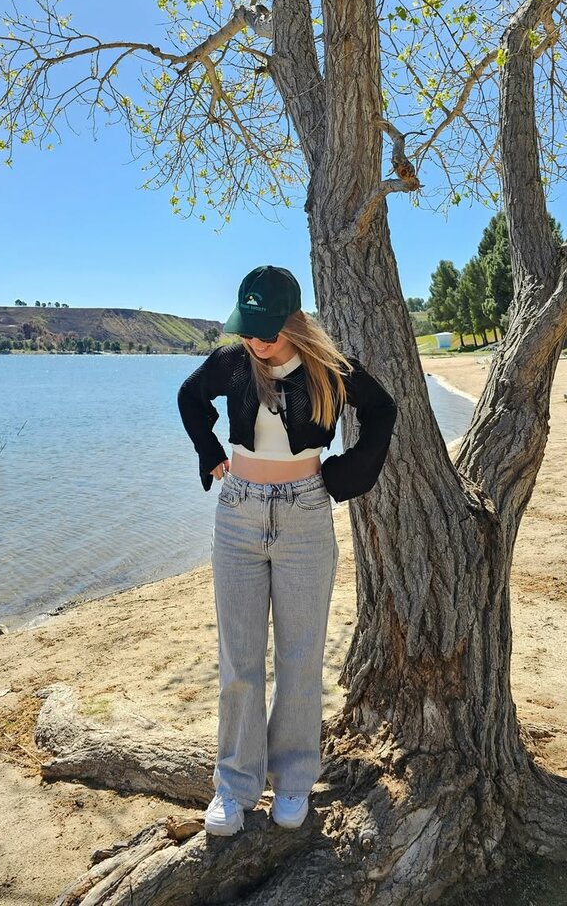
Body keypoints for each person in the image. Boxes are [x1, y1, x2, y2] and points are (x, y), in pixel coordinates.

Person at [177, 265, 396, 836]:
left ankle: (294, 779)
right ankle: (234, 786)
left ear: (293, 323)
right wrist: (209, 453)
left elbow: (382, 411)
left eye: (266, 331)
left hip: (305, 515)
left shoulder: (329, 369)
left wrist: (346, 475)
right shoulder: (233, 362)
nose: (255, 340)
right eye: (247, 328)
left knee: (300, 657)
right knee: (240, 660)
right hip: (238, 514)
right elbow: (190, 398)